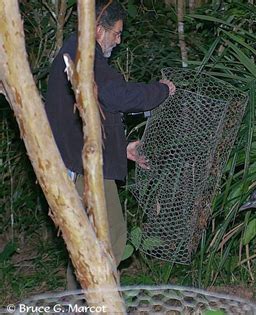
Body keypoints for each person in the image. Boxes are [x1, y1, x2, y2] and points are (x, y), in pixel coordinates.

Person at [44, 0, 175, 289]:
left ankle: (81, 302)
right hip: (83, 169)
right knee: (110, 237)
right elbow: (117, 96)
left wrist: (123, 147)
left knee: (89, 243)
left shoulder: (79, 53)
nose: (119, 40)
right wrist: (161, 91)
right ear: (98, 29)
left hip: (82, 163)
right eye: (116, 33)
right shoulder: (82, 52)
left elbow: (95, 110)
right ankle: (95, 301)